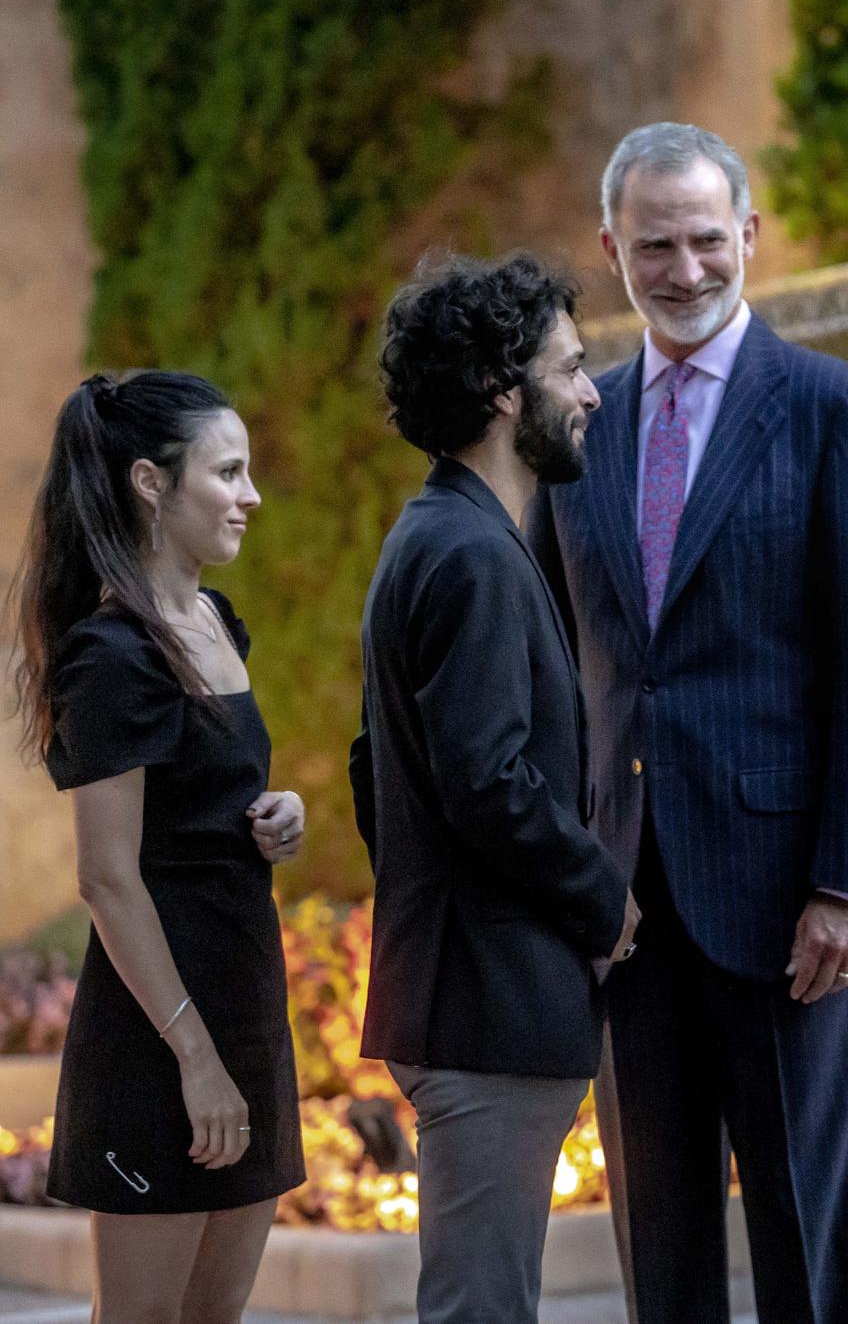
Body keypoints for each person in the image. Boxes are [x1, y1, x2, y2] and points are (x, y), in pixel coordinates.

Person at [523, 121, 848, 1323]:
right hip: (626, 907)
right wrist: (567, 871)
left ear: (748, 235)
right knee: (660, 1244)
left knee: (807, 1231)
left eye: (705, 240)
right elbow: (560, 659)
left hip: (788, 903)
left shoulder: (832, 409)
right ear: (611, 248)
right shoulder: (578, 424)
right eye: (655, 246)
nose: (684, 268)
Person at [351, 253, 639, 1323]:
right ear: (502, 392)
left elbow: (372, 768)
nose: (591, 390)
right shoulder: (467, 552)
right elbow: (486, 781)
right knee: (480, 1309)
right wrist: (602, 898)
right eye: (569, 366)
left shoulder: (450, 536)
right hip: (485, 1010)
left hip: (471, 993)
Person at [9, 370, 306, 1321]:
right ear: (151, 481)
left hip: (246, 1005)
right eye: (229, 472)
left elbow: (207, 796)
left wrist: (279, 811)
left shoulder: (217, 625)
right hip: (160, 1033)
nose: (251, 496)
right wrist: (196, 1057)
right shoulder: (113, 654)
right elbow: (107, 877)